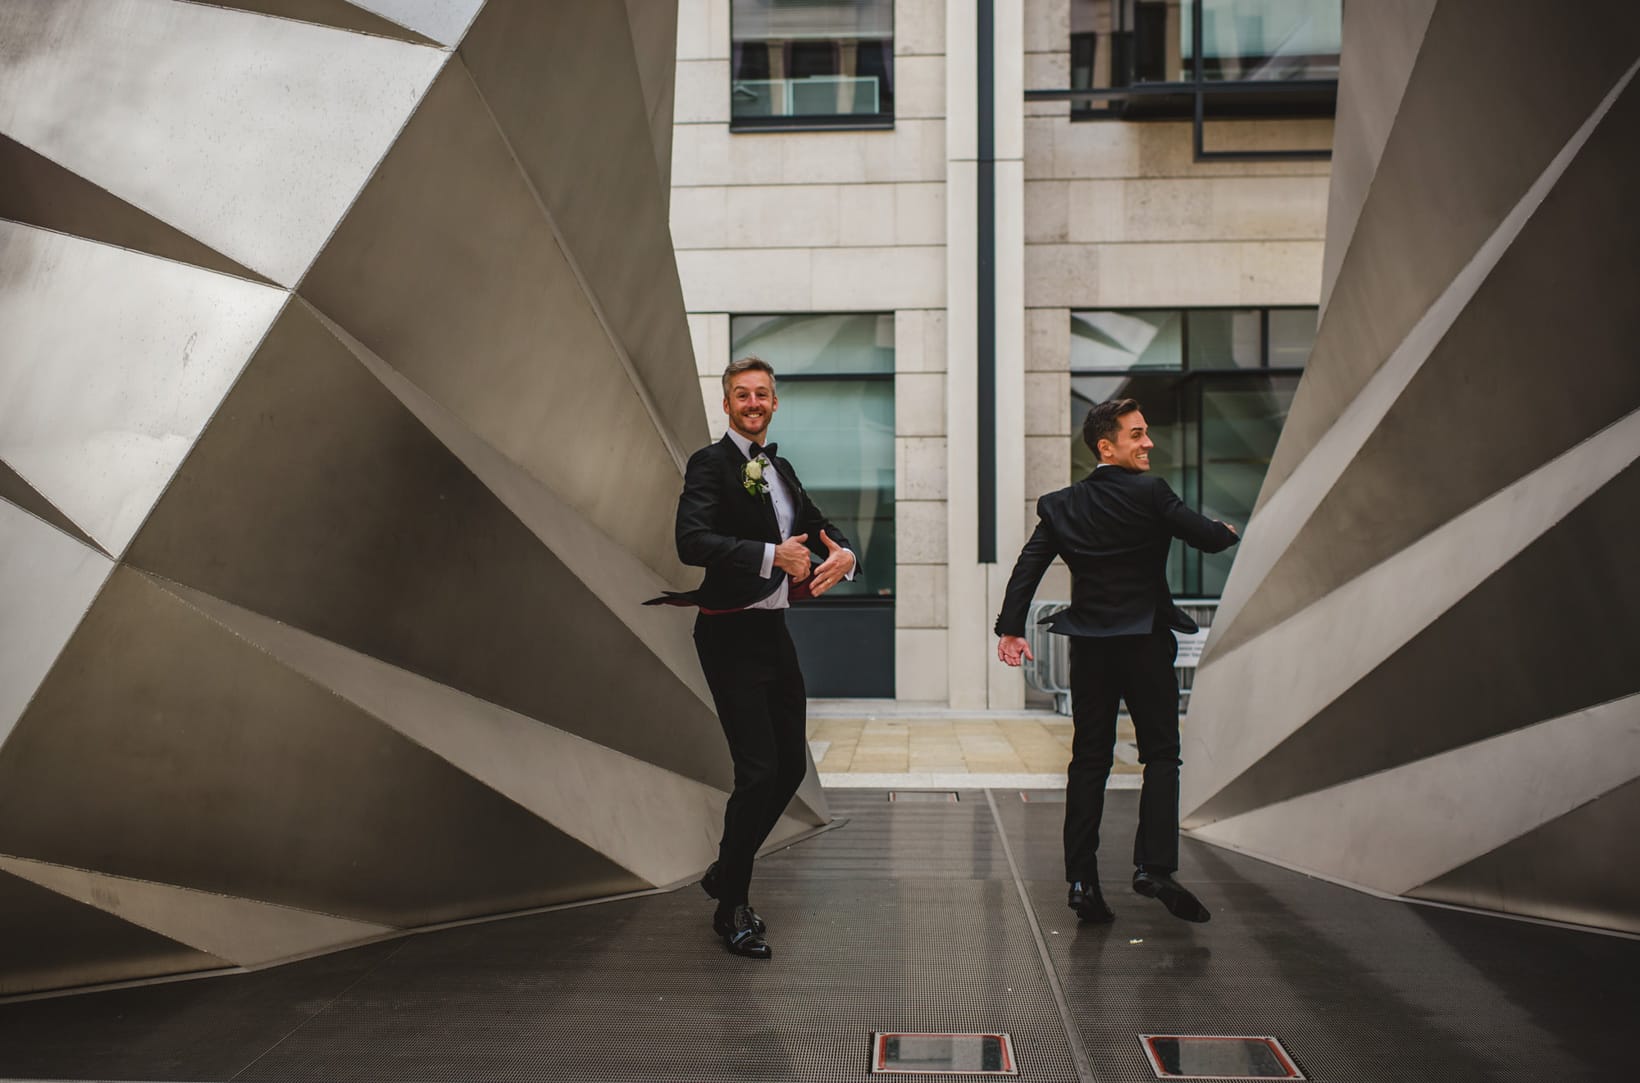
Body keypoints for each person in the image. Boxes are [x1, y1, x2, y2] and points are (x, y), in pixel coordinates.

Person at [994, 397, 1238, 925]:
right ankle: (1153, 867)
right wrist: (1226, 533)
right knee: (1161, 756)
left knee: (1089, 761)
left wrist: (1011, 628)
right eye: (1137, 435)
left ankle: (1082, 880)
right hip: (1145, 643)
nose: (1148, 442)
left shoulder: (1061, 504)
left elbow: (1027, 567)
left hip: (1092, 649)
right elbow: (1206, 538)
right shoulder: (1151, 493)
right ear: (1107, 446)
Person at [646, 357, 857, 959]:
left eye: (763, 394)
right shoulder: (710, 464)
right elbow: (692, 542)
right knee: (759, 770)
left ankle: (725, 868)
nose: (754, 402)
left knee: (790, 768)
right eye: (743, 394)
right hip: (728, 634)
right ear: (727, 404)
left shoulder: (779, 467)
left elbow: (817, 528)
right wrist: (770, 556)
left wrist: (843, 551)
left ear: (775, 403)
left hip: (773, 633)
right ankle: (731, 907)